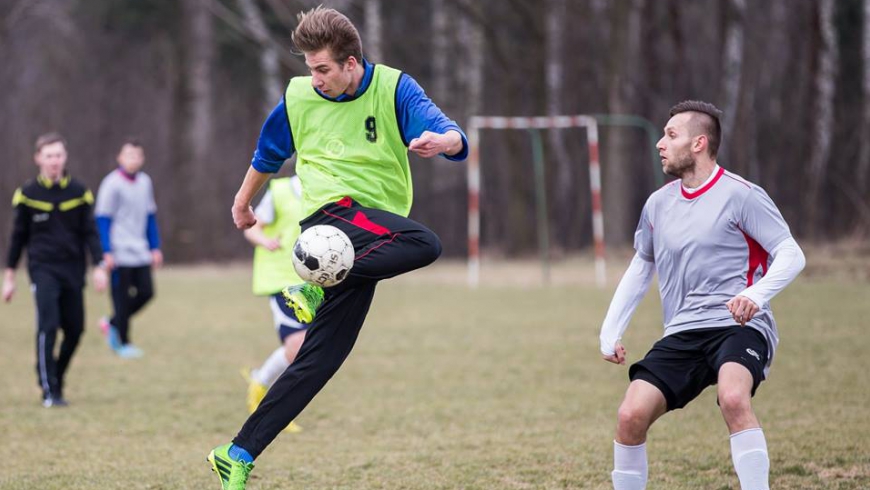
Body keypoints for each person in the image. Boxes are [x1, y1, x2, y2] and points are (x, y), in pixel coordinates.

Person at [206, 6, 467, 488]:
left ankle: (236, 451)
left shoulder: (393, 88)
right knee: (424, 242)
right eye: (309, 68)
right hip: (330, 215)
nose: (315, 78)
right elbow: (268, 153)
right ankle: (312, 289)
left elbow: (450, 131)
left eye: (322, 68)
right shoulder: (299, 96)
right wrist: (243, 203)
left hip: (370, 229)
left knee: (320, 359)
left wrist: (443, 141)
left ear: (352, 62)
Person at [598, 100, 806, 490]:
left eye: (671, 135)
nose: (660, 143)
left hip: (739, 326)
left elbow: (791, 253)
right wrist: (610, 330)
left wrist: (756, 296)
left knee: (732, 397)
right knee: (629, 416)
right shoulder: (658, 204)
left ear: (699, 143)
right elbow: (642, 266)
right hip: (682, 331)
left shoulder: (742, 195)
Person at [2, 132, 108, 407]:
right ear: (38, 159)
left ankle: (55, 376)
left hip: (73, 269)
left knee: (75, 330)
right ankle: (50, 391)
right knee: (48, 326)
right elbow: (17, 238)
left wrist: (99, 265)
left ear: (65, 158)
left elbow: (90, 233)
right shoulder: (26, 195)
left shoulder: (80, 192)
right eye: (48, 156)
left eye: (58, 155)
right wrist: (10, 275)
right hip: (42, 268)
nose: (54, 161)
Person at [241, 175, 308, 433]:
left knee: (309, 349)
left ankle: (259, 381)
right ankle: (276, 409)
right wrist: (264, 241)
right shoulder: (280, 190)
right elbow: (253, 227)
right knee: (297, 346)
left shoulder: (330, 187)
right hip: (282, 281)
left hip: (315, 284)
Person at [94, 139, 163, 358]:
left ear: (142, 159)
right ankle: (123, 343)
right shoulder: (111, 184)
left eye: (137, 155)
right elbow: (102, 219)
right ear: (120, 158)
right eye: (129, 155)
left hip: (139, 250)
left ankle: (111, 322)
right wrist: (106, 251)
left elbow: (150, 216)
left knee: (147, 293)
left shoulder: (145, 182)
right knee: (121, 298)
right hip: (118, 251)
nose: (133, 159)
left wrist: (155, 247)